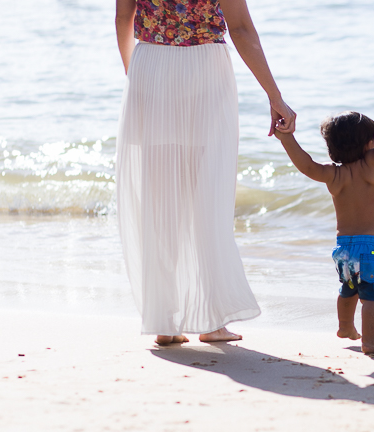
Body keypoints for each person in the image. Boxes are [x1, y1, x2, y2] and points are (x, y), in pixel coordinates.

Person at [114, 0, 295, 345]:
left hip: (150, 64)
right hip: (205, 69)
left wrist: (134, 76)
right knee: (208, 194)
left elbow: (124, 17)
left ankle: (165, 320)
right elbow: (241, 29)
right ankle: (211, 321)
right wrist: (275, 96)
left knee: (160, 198)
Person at [274, 104, 374, 355]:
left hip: (344, 249)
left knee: (349, 288)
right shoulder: (370, 166)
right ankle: (369, 341)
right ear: (368, 145)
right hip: (372, 248)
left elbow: (306, 165)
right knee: (373, 296)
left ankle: (345, 326)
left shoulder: (332, 175)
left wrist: (287, 138)